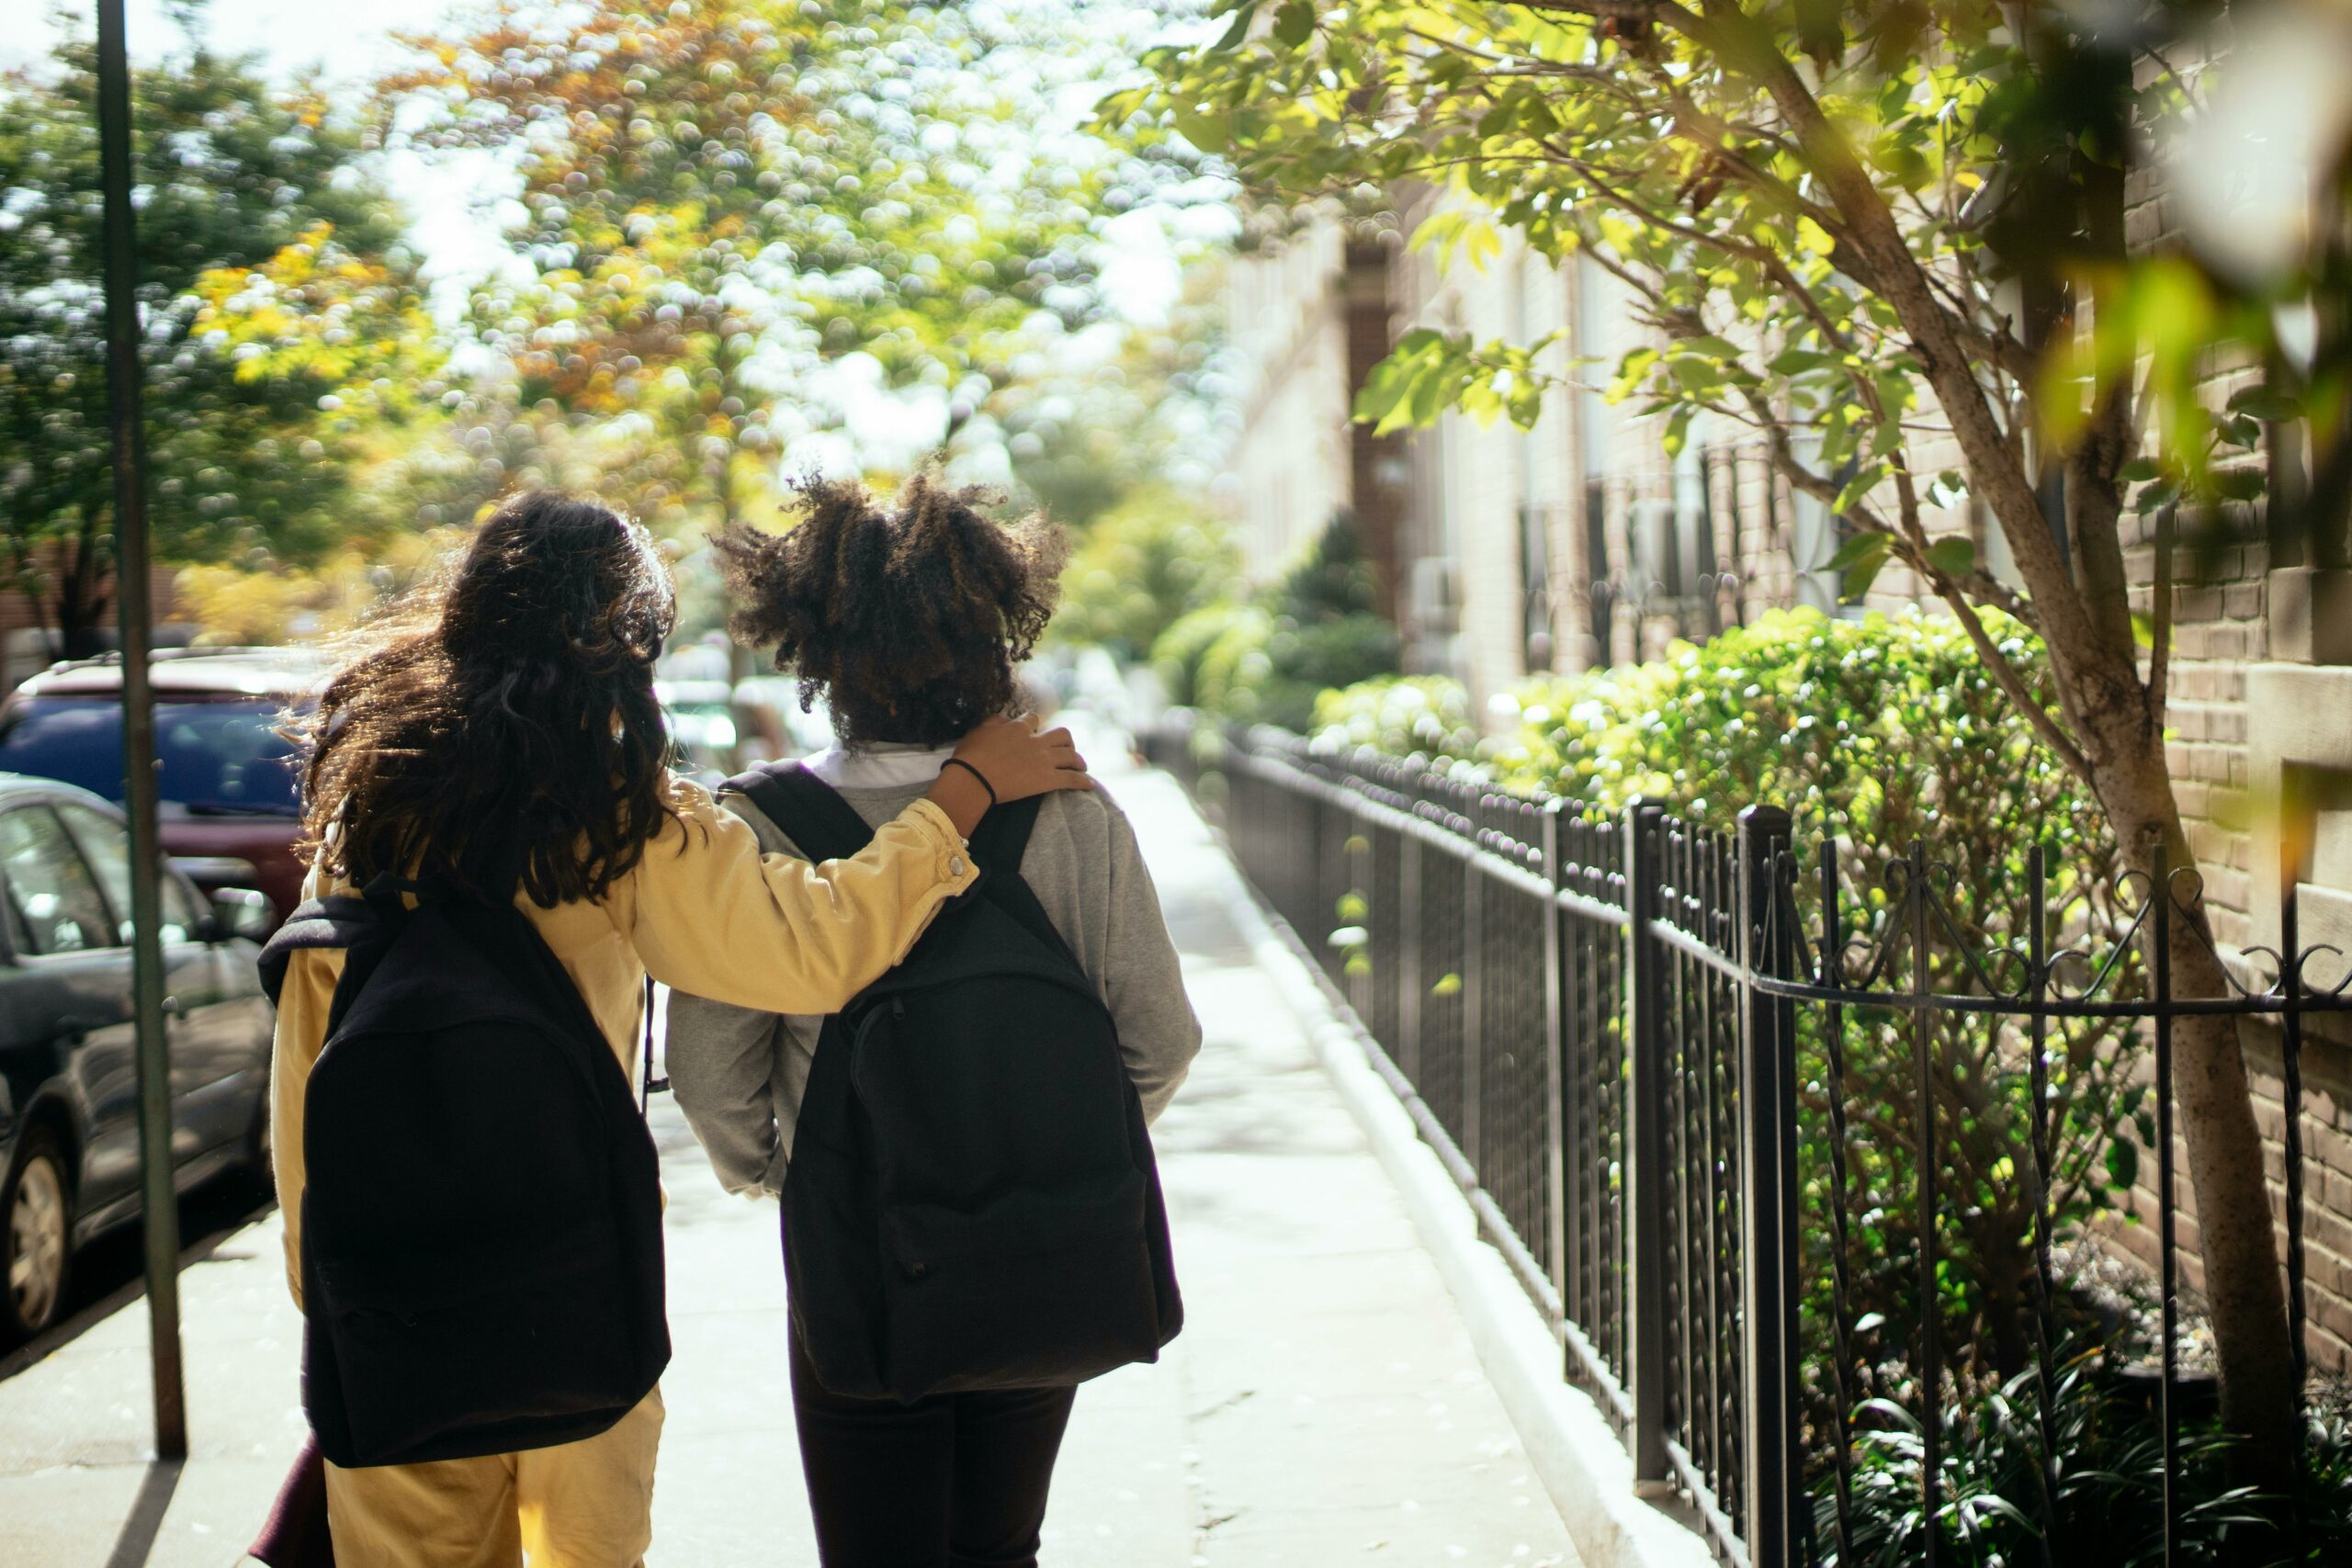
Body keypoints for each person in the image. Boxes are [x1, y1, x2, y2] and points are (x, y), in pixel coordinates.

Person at [270, 491, 1093, 1568]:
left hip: (385, 1282)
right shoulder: (609, 820)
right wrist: (963, 796)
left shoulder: (365, 797)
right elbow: (815, 945)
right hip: (569, 1276)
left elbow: (308, 1057)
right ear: (625, 641)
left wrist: (325, 1289)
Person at [667, 475, 1201, 1568]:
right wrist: (1057, 1140)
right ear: (992, 635)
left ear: (817, 651)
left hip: (857, 1243)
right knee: (1002, 1546)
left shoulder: (760, 824)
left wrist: (783, 1171)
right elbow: (1160, 1037)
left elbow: (714, 1068)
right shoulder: (1070, 810)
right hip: (1041, 1232)